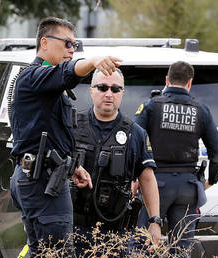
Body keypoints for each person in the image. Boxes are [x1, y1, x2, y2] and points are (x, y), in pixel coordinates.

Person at [9, 17, 122, 257]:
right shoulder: (34, 77)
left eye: (75, 44)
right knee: (58, 253)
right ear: (45, 42)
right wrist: (92, 62)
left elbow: (54, 133)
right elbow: (67, 73)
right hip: (42, 182)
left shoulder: (48, 86)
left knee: (43, 252)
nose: (72, 49)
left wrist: (74, 166)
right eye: (68, 43)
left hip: (46, 177)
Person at [134, 61, 218, 253]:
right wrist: (211, 181)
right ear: (190, 83)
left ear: (166, 80)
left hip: (155, 186)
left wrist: (134, 179)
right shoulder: (201, 110)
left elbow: (134, 141)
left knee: (143, 245)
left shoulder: (151, 106)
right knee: (182, 249)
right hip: (187, 189)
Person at [71, 68, 162, 255]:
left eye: (115, 89)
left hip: (114, 235)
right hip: (72, 228)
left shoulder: (135, 133)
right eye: (102, 87)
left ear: (122, 93)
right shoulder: (71, 126)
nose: (109, 94)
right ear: (91, 90)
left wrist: (155, 222)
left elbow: (147, 179)